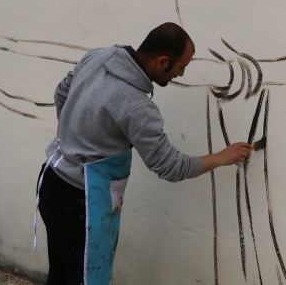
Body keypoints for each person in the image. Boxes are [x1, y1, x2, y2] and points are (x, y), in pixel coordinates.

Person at [34, 22, 251, 285]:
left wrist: (74, 139)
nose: (181, 74)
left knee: (60, 275)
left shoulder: (98, 56)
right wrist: (223, 157)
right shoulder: (136, 106)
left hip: (51, 181)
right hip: (81, 203)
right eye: (181, 66)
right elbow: (170, 166)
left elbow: (61, 94)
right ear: (162, 61)